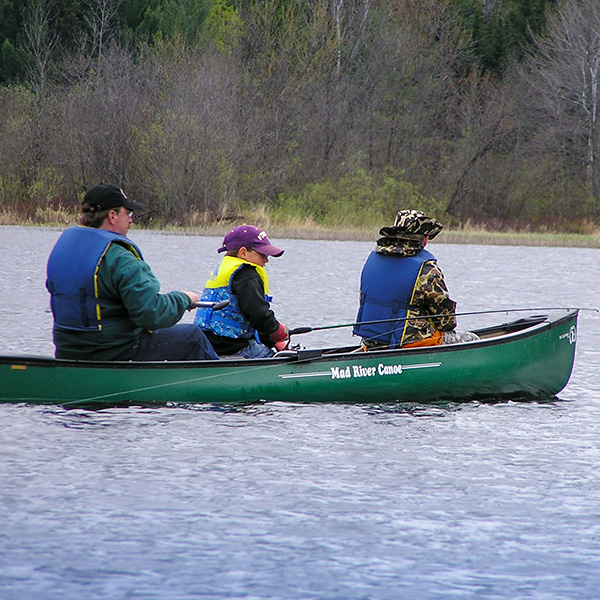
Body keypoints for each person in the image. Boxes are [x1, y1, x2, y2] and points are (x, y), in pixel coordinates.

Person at [46, 183, 219, 361]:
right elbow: (151, 314)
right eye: (127, 213)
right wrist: (184, 299)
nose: (131, 220)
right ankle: (223, 382)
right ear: (112, 216)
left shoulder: (63, 249)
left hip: (68, 351)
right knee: (193, 337)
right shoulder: (120, 258)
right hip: (112, 351)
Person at [353, 209, 479, 349]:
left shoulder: (372, 260)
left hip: (372, 340)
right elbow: (446, 321)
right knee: (472, 339)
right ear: (424, 240)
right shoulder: (426, 268)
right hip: (409, 342)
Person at [194, 224, 289, 358]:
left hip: (207, 343)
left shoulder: (225, 269)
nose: (266, 260)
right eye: (263, 254)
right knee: (275, 357)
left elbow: (247, 315)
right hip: (231, 347)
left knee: (263, 345)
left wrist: (270, 340)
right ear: (243, 252)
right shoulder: (247, 274)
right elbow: (258, 314)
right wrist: (277, 332)